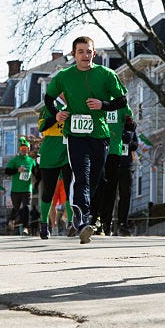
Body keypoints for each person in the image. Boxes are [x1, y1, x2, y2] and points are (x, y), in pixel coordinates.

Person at [43, 36, 127, 244]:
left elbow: (122, 100)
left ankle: (84, 218)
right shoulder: (64, 76)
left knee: (95, 180)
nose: (85, 55)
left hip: (100, 134)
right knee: (82, 176)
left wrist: (102, 104)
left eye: (88, 51)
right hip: (75, 135)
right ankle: (81, 221)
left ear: (94, 53)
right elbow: (48, 97)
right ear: (74, 54)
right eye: (80, 51)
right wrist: (56, 114)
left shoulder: (106, 75)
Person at [94, 109, 138, 235]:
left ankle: (123, 223)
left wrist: (128, 143)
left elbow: (135, 143)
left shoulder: (130, 128)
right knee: (109, 193)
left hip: (126, 164)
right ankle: (105, 223)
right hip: (112, 162)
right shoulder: (109, 127)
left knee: (125, 194)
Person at [34, 108, 72, 240]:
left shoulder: (74, 103)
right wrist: (56, 117)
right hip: (50, 151)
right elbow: (41, 126)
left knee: (70, 188)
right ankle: (44, 223)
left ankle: (71, 223)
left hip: (68, 150)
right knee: (48, 191)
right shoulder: (48, 107)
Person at [5, 137, 37, 235]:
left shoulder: (31, 161)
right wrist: (17, 170)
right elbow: (7, 171)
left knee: (26, 207)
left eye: (25, 149)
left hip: (27, 188)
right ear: (19, 149)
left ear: (28, 150)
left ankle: (25, 227)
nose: (24, 150)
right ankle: (11, 220)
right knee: (16, 207)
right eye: (22, 149)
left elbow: (37, 173)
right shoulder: (14, 160)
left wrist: (36, 182)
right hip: (16, 189)